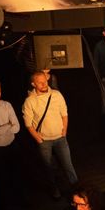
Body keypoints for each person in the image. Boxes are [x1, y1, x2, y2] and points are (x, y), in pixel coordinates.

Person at [23, 70, 78, 199]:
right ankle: (55, 190)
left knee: (68, 165)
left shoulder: (56, 94)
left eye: (45, 81)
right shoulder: (30, 101)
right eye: (40, 82)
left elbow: (64, 113)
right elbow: (28, 124)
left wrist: (64, 131)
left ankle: (77, 190)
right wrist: (38, 138)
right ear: (33, 84)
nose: (44, 84)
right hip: (44, 141)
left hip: (60, 138)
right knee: (49, 169)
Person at [0, 77, 22, 210]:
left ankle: (18, 202)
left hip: (11, 145)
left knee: (15, 174)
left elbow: (17, 127)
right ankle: (3, 206)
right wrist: (8, 125)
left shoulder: (7, 105)